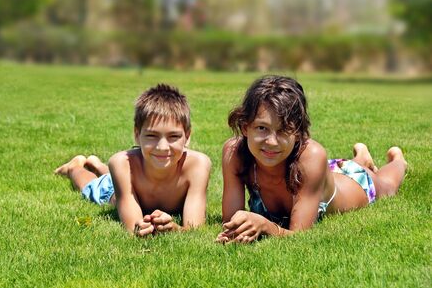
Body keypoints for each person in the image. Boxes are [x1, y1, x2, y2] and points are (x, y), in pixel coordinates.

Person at [216, 75, 407, 243]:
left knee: (388, 186)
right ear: (245, 127)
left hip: (354, 182)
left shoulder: (312, 156)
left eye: (283, 130)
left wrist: (267, 226)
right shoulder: (235, 153)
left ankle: (396, 159)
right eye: (261, 128)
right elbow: (230, 221)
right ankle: (361, 157)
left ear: (298, 133)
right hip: (319, 175)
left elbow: (299, 235)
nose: (272, 141)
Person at [55, 84, 211, 236]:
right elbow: (133, 227)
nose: (162, 147)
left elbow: (194, 229)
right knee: (94, 186)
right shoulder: (121, 163)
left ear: (187, 136)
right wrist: (141, 228)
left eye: (174, 136)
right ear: (137, 135)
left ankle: (96, 164)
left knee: (111, 175)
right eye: (151, 136)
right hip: (117, 189)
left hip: (131, 176)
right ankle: (74, 167)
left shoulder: (197, 165)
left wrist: (174, 228)